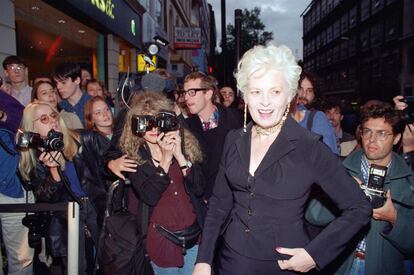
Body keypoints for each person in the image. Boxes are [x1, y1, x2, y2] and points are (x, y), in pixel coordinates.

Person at [192, 44, 371, 275]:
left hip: (284, 266)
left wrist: (314, 254)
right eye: (256, 92)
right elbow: (218, 205)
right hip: (230, 262)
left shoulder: (309, 146)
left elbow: (359, 208)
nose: (265, 102)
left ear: (289, 96)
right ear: (246, 96)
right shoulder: (234, 139)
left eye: (275, 92)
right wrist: (204, 259)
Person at [309, 103, 414, 274]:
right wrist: (343, 194)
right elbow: (313, 216)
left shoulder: (408, 180)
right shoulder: (341, 168)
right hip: (339, 266)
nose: (372, 140)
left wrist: (394, 219)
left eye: (381, 134)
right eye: (367, 131)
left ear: (396, 138)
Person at [118, 91, 206, 274]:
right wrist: (165, 160)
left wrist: (180, 156)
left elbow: (199, 188)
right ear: (136, 127)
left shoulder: (182, 147)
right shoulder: (134, 159)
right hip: (162, 241)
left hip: (194, 237)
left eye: (157, 121)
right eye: (146, 122)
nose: (152, 128)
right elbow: (149, 196)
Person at [18, 102, 109, 274]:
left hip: (96, 208)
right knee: (77, 268)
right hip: (65, 218)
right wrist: (53, 172)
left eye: (54, 116)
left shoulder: (82, 138)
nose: (52, 121)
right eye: (44, 119)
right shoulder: (32, 160)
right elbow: (45, 198)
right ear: (32, 127)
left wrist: (112, 162)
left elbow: (111, 154)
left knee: (108, 263)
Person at [183, 71, 242, 199]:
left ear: (208, 93)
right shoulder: (186, 127)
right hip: (203, 202)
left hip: (232, 201)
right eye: (185, 92)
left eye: (192, 92)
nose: (186, 97)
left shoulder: (236, 119)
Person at [0, 90, 34, 275]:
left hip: (11, 188)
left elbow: (27, 125)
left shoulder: (6, 102)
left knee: (21, 259)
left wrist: (3, 116)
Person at [292, 72, 339, 154]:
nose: (303, 95)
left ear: (315, 95)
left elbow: (330, 158)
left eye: (309, 91)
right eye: (300, 89)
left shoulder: (318, 119)